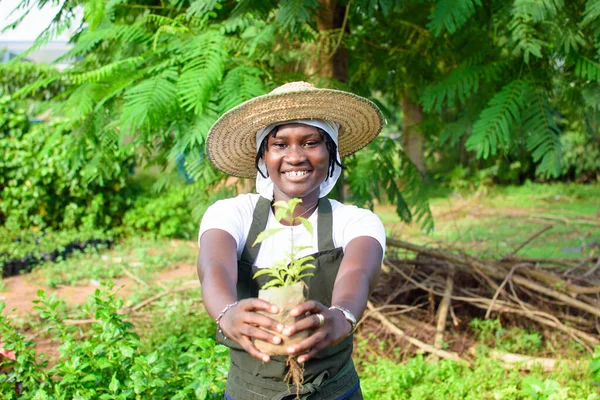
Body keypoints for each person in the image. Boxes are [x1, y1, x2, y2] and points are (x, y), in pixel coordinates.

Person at [197, 81, 386, 400]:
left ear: (331, 153)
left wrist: (342, 316)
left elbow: (359, 273)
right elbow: (214, 265)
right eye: (280, 144)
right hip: (249, 392)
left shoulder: (354, 221)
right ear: (263, 156)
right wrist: (226, 312)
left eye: (311, 142)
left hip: (334, 391)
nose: (295, 157)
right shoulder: (232, 214)